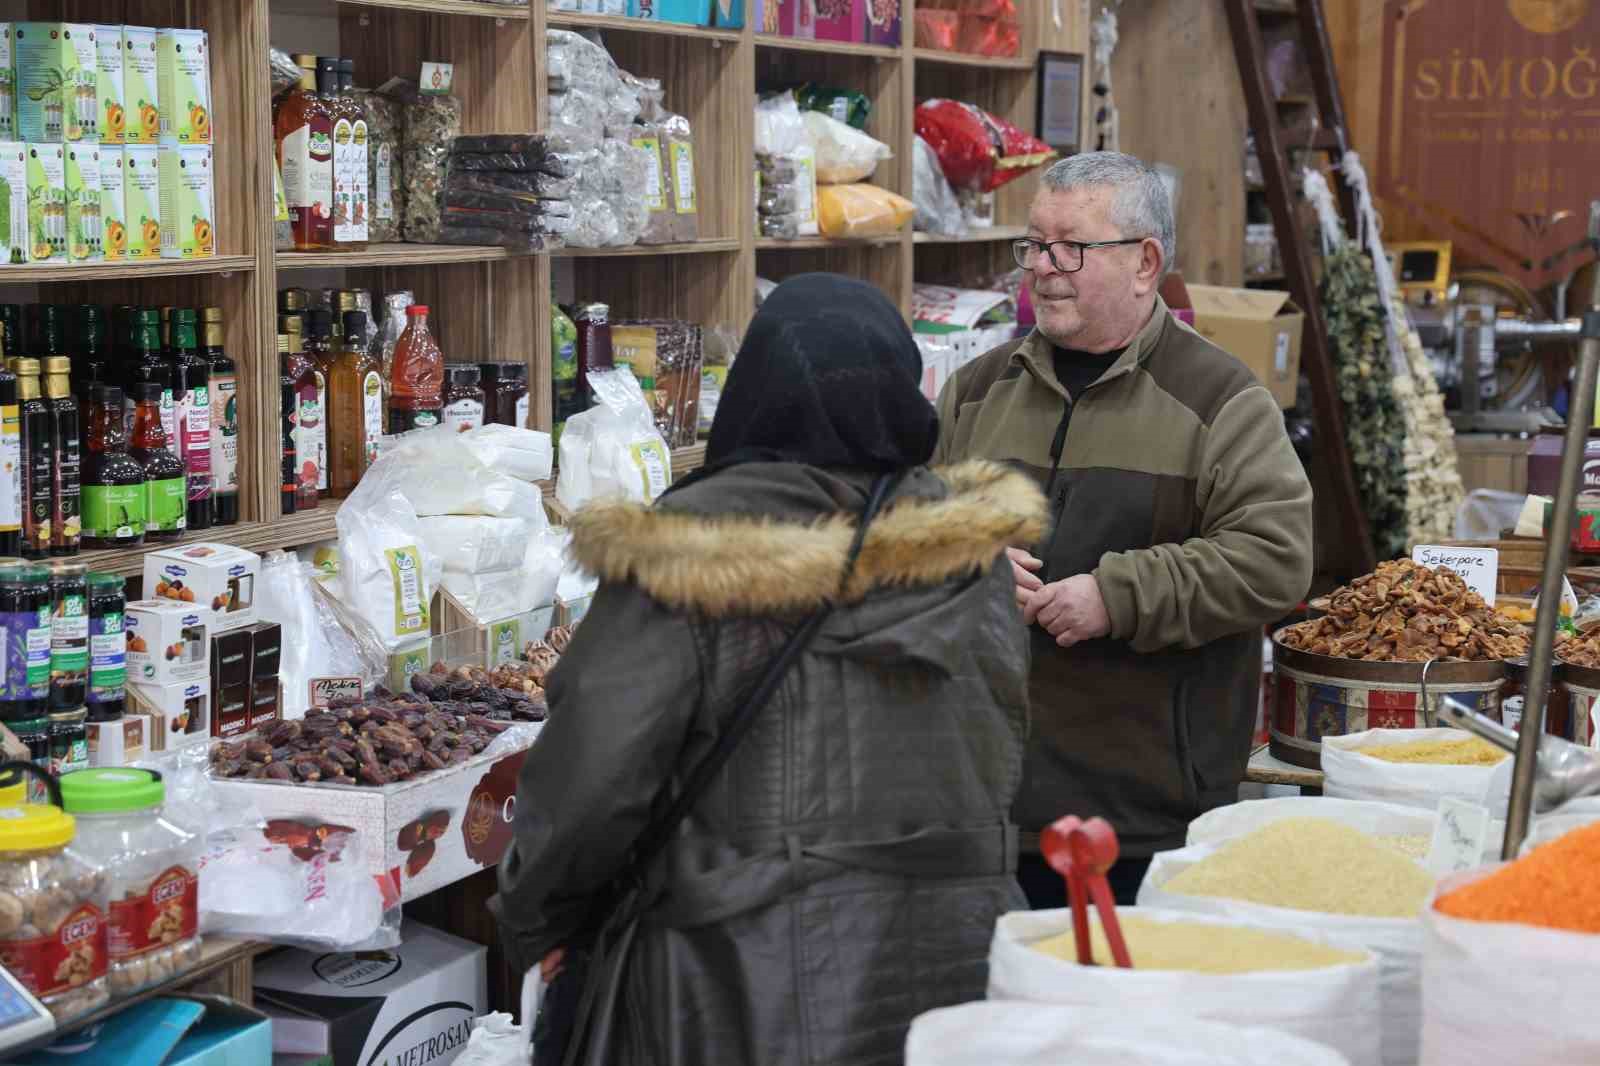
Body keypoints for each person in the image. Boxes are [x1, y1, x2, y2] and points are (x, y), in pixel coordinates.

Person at [492, 273, 1046, 1066]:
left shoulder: (688, 557)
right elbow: (998, 754)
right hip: (956, 977)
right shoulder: (976, 558)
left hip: (733, 982)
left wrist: (538, 920)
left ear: (757, 392)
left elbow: (590, 776)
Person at [933, 152, 1314, 907]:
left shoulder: (1221, 400)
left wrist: (1121, 594)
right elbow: (905, 537)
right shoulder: (974, 393)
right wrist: (962, 565)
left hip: (1145, 821)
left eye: (1071, 247)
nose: (1044, 268)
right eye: (1034, 246)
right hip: (981, 810)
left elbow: (1275, 558)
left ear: (1145, 263)